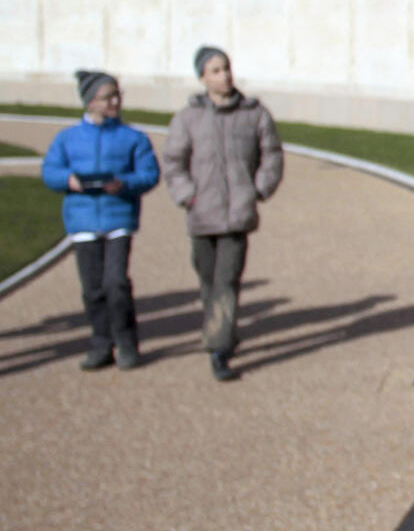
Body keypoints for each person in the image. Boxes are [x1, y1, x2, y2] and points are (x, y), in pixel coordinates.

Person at [161, 45, 284, 382]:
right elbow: (173, 161)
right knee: (208, 280)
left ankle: (218, 349)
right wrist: (187, 196)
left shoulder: (255, 114)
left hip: (236, 216)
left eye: (226, 68)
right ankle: (222, 330)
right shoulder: (187, 118)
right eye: (215, 70)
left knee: (227, 280)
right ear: (202, 77)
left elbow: (271, 155)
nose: (224, 75)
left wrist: (258, 189)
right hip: (201, 215)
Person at [40, 70, 159, 371]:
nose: (115, 101)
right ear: (90, 101)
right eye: (108, 97)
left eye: (118, 95)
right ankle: (100, 344)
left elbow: (149, 174)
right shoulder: (67, 139)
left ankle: (128, 343)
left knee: (116, 283)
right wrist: (69, 180)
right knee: (92, 288)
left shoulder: (133, 138)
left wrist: (125, 183)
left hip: (118, 217)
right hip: (82, 222)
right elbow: (49, 171)